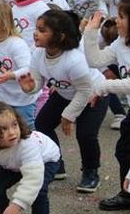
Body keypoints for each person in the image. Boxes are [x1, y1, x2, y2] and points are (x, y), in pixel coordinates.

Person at [19, 10, 107, 192]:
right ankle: (56, 164)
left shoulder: (74, 59)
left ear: (60, 36)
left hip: (94, 93)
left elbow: (85, 90)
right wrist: (29, 88)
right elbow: (37, 83)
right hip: (66, 92)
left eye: (42, 30)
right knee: (42, 123)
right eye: (37, 28)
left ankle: (91, 172)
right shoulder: (38, 53)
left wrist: (68, 116)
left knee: (86, 134)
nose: (36, 33)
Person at [83, 0, 130, 211]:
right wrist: (90, 32)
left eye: (122, 16)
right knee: (124, 152)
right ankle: (128, 195)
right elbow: (95, 61)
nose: (117, 20)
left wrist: (104, 87)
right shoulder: (121, 42)